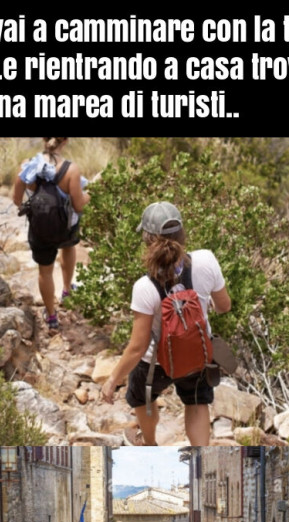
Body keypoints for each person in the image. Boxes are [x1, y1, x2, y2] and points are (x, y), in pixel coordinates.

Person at [101, 201, 231, 446]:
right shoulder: (206, 260)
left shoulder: (144, 287)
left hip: (156, 364)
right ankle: (200, 457)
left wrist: (112, 379)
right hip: (198, 356)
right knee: (196, 402)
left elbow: (137, 347)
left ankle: (149, 444)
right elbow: (224, 306)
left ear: (147, 239)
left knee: (143, 399)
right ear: (183, 235)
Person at [13, 137, 90, 332]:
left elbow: (16, 199)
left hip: (40, 230)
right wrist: (94, 190)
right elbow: (78, 204)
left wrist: (34, 210)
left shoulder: (30, 166)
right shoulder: (71, 170)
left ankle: (52, 316)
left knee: (45, 271)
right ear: (65, 141)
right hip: (64, 228)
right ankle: (66, 291)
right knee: (69, 246)